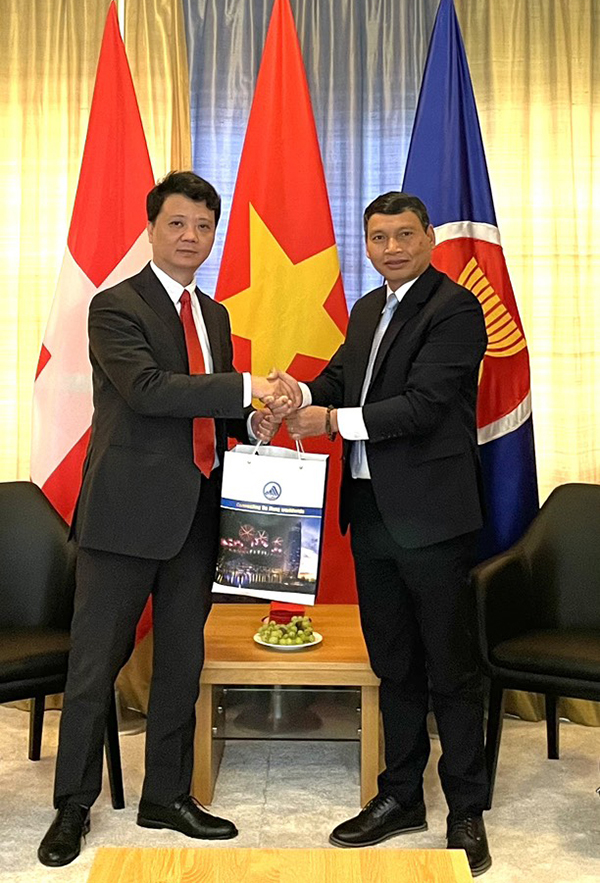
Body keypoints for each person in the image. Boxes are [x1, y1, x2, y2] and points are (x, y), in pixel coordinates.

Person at [38, 171, 296, 867]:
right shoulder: (114, 305)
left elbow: (211, 411)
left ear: (214, 235)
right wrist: (247, 385)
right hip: (124, 518)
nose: (191, 237)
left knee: (182, 661)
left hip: (196, 513)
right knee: (95, 667)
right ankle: (71, 807)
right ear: (153, 228)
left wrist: (256, 418)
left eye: (204, 227)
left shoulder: (213, 316)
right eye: (178, 223)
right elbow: (150, 392)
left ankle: (166, 795)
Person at [285, 192, 492, 876]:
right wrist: (300, 399)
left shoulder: (456, 308)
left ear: (429, 237)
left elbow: (426, 405)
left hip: (432, 519)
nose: (393, 247)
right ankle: (400, 795)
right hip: (371, 512)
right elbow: (346, 377)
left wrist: (331, 423)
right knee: (394, 663)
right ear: (367, 245)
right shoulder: (369, 307)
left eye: (405, 234)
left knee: (452, 669)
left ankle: (465, 806)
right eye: (379, 237)